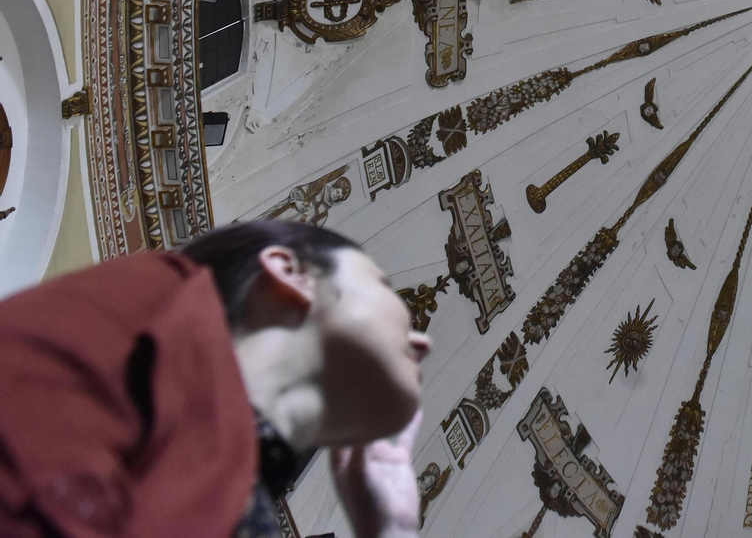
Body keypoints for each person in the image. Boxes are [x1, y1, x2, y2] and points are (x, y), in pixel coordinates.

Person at [0, 220, 431, 537]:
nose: (422, 341)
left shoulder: (246, 499)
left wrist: (391, 530)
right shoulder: (151, 307)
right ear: (289, 272)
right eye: (384, 286)